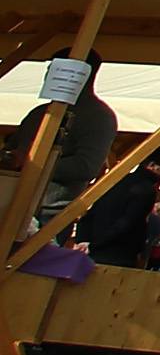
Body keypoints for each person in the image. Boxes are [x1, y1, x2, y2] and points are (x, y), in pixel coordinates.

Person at [6, 52, 118, 228]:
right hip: (12, 204)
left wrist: (30, 164)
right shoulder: (39, 113)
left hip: (49, 216)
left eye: (55, 69)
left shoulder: (98, 116)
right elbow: (12, 149)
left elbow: (86, 166)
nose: (49, 74)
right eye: (50, 69)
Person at [78, 150, 160, 267]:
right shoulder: (145, 189)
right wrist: (95, 245)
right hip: (118, 254)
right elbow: (128, 222)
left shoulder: (116, 181)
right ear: (152, 165)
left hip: (92, 250)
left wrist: (83, 241)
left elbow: (91, 214)